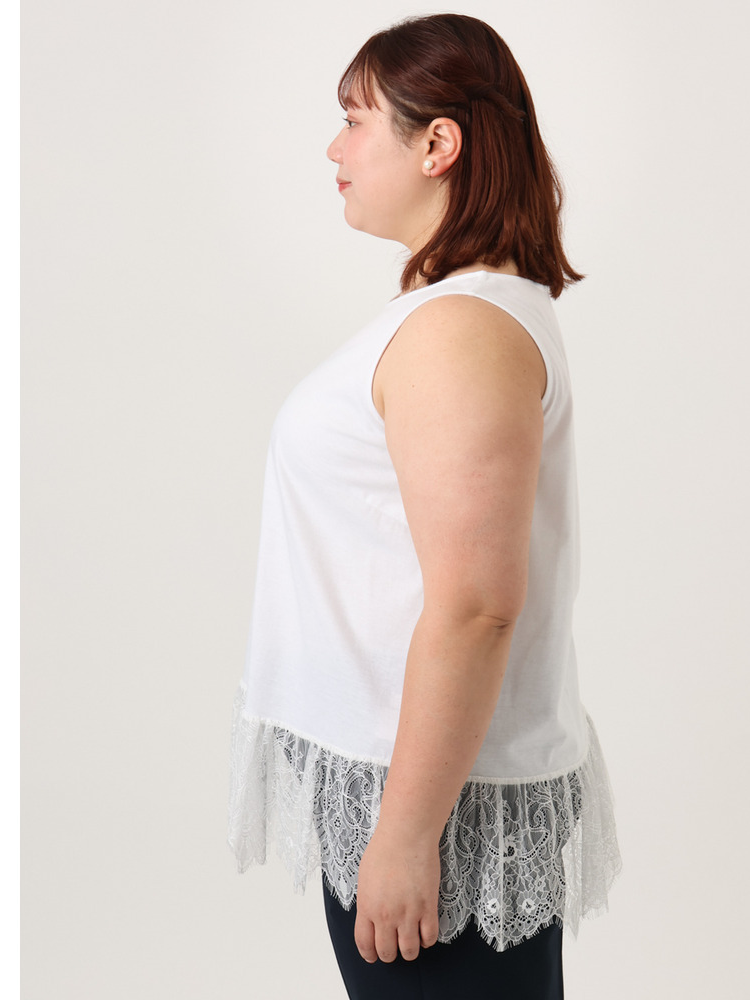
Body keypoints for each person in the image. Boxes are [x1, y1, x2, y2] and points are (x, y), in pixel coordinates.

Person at [228, 13, 621, 999]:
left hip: (433, 806)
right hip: (415, 784)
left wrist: (405, 836)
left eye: (355, 120)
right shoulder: (456, 316)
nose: (335, 149)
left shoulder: (462, 332)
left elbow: (477, 605)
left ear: (437, 143)